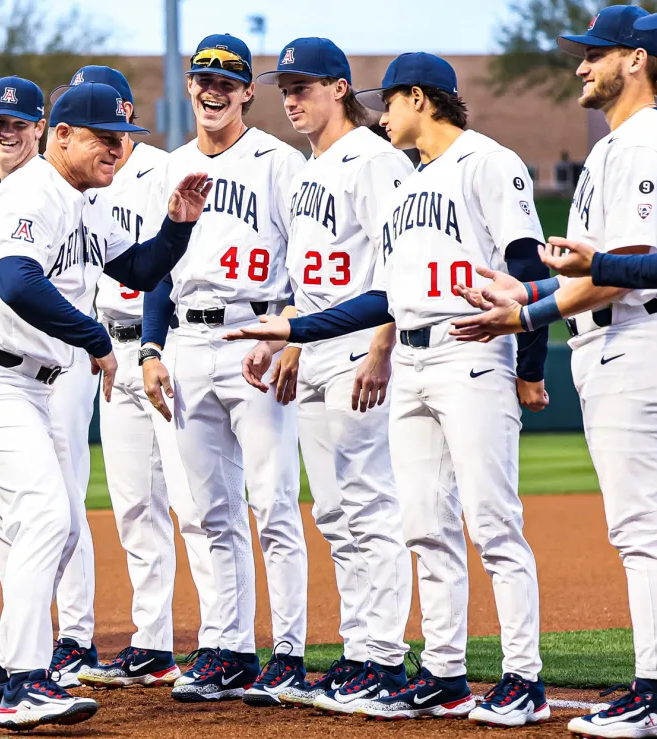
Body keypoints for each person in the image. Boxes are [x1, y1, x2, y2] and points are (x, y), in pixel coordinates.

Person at [220, 52, 550, 727]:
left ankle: (525, 677)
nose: (383, 114)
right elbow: (382, 297)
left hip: (474, 352)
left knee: (493, 523)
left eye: (391, 102)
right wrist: (296, 328)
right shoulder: (410, 184)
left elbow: (525, 267)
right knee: (424, 525)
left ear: (421, 99)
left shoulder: (489, 161)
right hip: (416, 359)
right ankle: (443, 675)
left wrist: (531, 363)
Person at [0, 81, 210, 730]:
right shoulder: (34, 189)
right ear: (60, 135)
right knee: (44, 513)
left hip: (28, 384)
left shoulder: (87, 200)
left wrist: (177, 225)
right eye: (103, 137)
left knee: (53, 525)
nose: (118, 147)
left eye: (124, 137)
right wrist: (93, 336)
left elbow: (142, 270)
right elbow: (17, 281)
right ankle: (22, 680)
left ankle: (8, 673)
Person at [446, 8, 657, 735]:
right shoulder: (614, 147)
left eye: (594, 54)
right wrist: (527, 292)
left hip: (634, 337)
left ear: (635, 60)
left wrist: (527, 317)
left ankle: (652, 691)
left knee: (642, 528)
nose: (579, 66)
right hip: (609, 339)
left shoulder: (643, 141)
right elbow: (593, 271)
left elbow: (618, 272)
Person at [241, 37, 414, 710]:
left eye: (305, 85)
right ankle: (359, 650)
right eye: (285, 86)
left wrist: (381, 347)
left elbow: (398, 263)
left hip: (356, 351)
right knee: (338, 513)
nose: (292, 98)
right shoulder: (310, 168)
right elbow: (304, 278)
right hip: (313, 351)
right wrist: (287, 341)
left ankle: (386, 660)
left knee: (370, 504)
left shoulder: (373, 160)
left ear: (341, 87)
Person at [139, 33, 309, 703]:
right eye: (202, 75)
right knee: (210, 511)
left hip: (255, 337)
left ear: (247, 92)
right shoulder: (169, 168)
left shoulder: (279, 163)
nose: (212, 87)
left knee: (271, 504)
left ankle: (289, 651)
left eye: (227, 78)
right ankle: (227, 646)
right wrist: (151, 350)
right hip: (186, 342)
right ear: (189, 87)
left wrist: (292, 334)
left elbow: (307, 255)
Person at [53, 65, 218, 690]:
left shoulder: (160, 167)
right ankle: (152, 642)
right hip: (109, 352)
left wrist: (150, 347)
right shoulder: (76, 181)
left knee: (192, 503)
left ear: (123, 109)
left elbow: (167, 269)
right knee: (134, 508)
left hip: (161, 344)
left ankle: (218, 640)